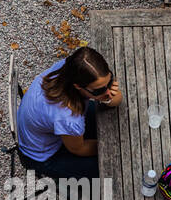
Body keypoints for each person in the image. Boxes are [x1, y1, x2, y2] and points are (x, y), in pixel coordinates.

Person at [15, 46, 120, 180]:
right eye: (98, 90)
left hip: (39, 131)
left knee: (112, 117)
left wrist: (108, 95)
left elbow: (116, 100)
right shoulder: (68, 117)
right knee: (111, 167)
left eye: (109, 81)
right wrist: (111, 146)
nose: (107, 92)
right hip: (43, 156)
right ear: (78, 86)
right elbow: (78, 149)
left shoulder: (70, 67)